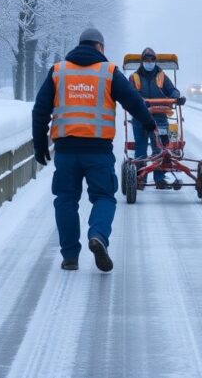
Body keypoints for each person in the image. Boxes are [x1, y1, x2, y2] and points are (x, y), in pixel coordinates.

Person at [32, 28, 157, 272]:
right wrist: (149, 124)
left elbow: (40, 110)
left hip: (66, 151)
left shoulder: (58, 71)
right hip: (98, 151)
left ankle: (70, 257)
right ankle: (98, 235)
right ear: (100, 47)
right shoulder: (108, 72)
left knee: (65, 199)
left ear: (80, 45)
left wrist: (40, 145)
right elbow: (133, 101)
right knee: (103, 197)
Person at [129, 47, 186, 189]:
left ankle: (159, 179)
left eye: (152, 60)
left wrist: (177, 97)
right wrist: (141, 101)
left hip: (160, 116)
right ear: (142, 61)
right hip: (141, 118)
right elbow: (130, 94)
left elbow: (172, 90)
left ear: (155, 61)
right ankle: (140, 179)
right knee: (141, 149)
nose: (149, 62)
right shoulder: (134, 77)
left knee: (160, 148)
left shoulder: (162, 76)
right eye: (146, 60)